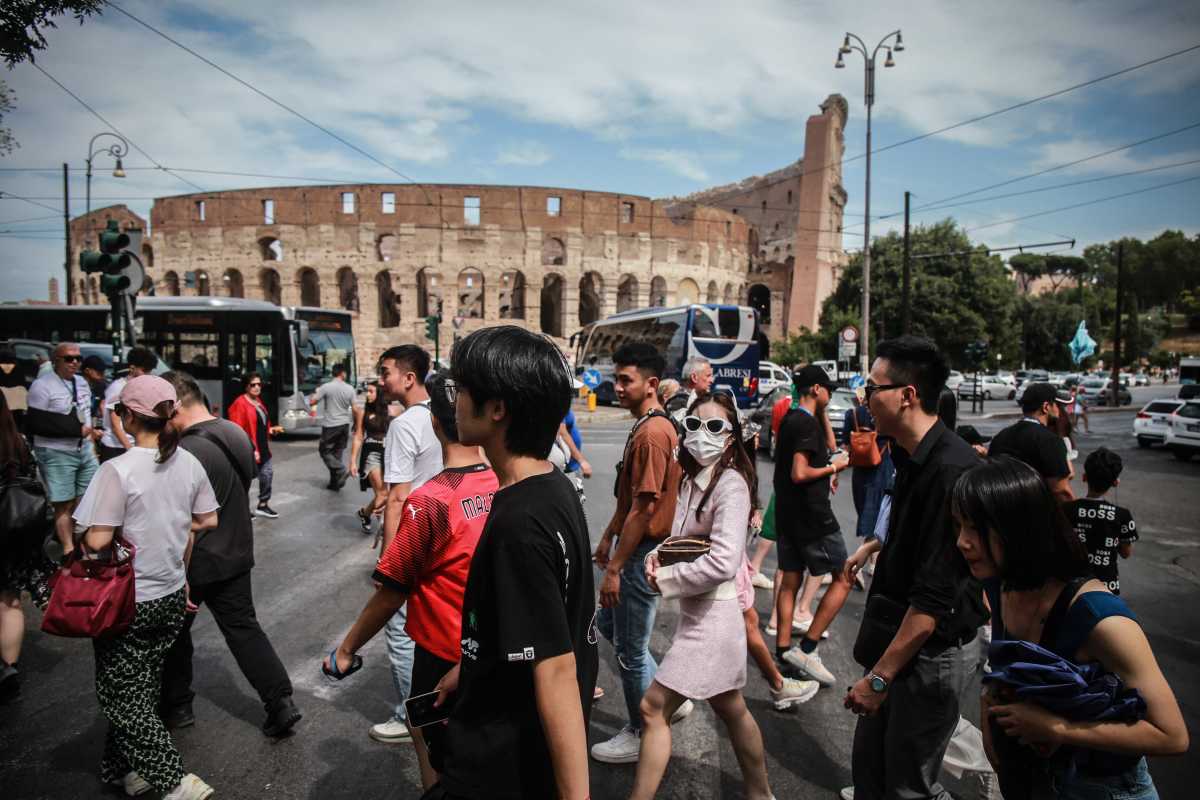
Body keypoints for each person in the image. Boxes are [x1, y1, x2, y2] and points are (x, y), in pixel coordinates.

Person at [422, 325, 596, 800]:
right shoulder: (550, 484)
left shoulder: (518, 522)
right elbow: (546, 615)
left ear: (497, 408)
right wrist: (476, 662)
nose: (453, 402)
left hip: (501, 764)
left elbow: (556, 670)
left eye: (462, 390)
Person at [953, 457, 1187, 799]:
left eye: (974, 527)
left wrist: (1058, 729)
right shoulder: (999, 584)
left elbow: (1171, 736)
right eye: (958, 526)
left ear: (1018, 529)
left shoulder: (1101, 618)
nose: (962, 541)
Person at [323, 372, 498, 791]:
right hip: (489, 644)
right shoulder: (497, 483)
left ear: (435, 423)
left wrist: (346, 650)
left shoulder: (432, 500)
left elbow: (391, 592)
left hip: (442, 651)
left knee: (432, 742)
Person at [841, 335, 988, 800]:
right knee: (871, 773)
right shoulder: (909, 455)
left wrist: (879, 678)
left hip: (928, 654)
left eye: (872, 390)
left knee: (908, 788)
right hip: (901, 643)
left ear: (907, 395)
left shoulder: (949, 471)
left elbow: (932, 597)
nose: (865, 401)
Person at [72, 375, 220, 800]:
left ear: (128, 417)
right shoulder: (187, 462)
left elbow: (97, 540)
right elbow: (208, 519)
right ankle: (126, 770)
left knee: (122, 696)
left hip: (128, 599)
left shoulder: (116, 470)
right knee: (143, 684)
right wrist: (171, 526)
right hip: (172, 592)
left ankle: (176, 782)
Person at [632, 392, 783, 800]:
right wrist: (657, 557)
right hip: (698, 613)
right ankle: (760, 793)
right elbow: (684, 540)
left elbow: (722, 562)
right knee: (731, 707)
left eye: (716, 426)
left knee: (652, 708)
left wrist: (666, 580)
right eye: (696, 425)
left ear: (731, 437)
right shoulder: (690, 479)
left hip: (714, 620)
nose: (703, 434)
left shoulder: (730, 485)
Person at [158, 370, 299, 738]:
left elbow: (181, 517)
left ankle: (177, 707)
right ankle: (280, 701)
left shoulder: (185, 451)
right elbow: (247, 476)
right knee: (243, 629)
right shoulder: (233, 431)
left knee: (174, 634)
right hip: (236, 547)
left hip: (197, 557)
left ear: (174, 409)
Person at [591, 342, 688, 764]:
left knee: (631, 650)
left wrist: (615, 567)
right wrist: (609, 534)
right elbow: (629, 498)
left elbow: (646, 506)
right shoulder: (649, 425)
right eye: (617, 378)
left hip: (641, 552)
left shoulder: (652, 433)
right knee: (608, 627)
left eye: (625, 379)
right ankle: (668, 700)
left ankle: (640, 728)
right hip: (634, 546)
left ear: (651, 384)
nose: (617, 386)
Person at [374, 344, 443, 744]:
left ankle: (410, 713)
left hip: (414, 536)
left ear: (409, 377)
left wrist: (389, 559)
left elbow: (399, 495)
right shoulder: (445, 415)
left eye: (386, 372)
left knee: (400, 630)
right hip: (448, 532)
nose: (381, 380)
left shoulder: (403, 425)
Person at [772, 364, 853, 688]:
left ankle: (783, 652)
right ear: (817, 390)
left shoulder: (793, 419)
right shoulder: (805, 425)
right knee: (845, 576)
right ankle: (807, 648)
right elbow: (799, 473)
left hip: (788, 515)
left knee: (790, 579)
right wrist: (833, 466)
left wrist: (828, 465)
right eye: (827, 390)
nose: (830, 395)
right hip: (813, 517)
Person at [0, 389, 55, 703]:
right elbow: (38, 484)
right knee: (9, 600)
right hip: (12, 531)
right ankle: (10, 668)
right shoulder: (18, 442)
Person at [26, 342, 100, 559]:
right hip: (56, 452)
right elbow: (35, 423)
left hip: (84, 449)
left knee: (89, 498)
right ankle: (68, 551)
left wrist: (91, 445)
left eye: (78, 358)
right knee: (63, 503)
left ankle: (67, 535)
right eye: (69, 358)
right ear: (56, 360)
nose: (75, 362)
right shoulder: (42, 386)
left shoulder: (82, 383)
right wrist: (72, 430)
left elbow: (86, 414)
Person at [1065, 448, 1137, 595]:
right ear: (1116, 482)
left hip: (1070, 584)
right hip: (1105, 587)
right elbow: (1126, 553)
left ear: (1084, 477)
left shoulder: (1066, 510)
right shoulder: (1122, 516)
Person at [988, 382, 1074, 503]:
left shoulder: (1000, 437)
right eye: (1057, 405)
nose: (1060, 410)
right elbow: (1060, 490)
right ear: (1046, 407)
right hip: (1036, 514)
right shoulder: (1050, 441)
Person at [227, 373, 283, 519]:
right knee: (244, 480)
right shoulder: (240, 403)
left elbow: (262, 423)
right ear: (246, 386)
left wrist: (271, 429)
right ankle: (242, 508)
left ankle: (263, 505)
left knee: (267, 475)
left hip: (263, 447)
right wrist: (250, 448)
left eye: (259, 384)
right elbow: (237, 430)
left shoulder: (258, 401)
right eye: (253, 384)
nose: (257, 387)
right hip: (249, 449)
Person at [99, 347, 159, 463]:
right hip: (116, 447)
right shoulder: (118, 388)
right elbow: (115, 424)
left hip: (135, 446)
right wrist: (130, 449)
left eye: (150, 371)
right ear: (132, 368)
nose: (148, 374)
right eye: (144, 370)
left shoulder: (141, 387)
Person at [350, 381, 394, 533]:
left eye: (371, 391)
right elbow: (358, 436)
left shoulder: (391, 411)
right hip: (371, 454)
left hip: (388, 454)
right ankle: (386, 527)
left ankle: (365, 513)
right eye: (367, 391)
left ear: (379, 394)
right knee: (383, 494)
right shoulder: (364, 413)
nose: (367, 394)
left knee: (386, 494)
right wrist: (352, 461)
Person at [311, 364, 357, 490]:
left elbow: (312, 401)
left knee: (324, 451)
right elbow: (355, 408)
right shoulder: (350, 388)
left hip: (330, 425)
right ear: (342, 373)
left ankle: (341, 470)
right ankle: (335, 483)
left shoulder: (326, 387)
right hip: (344, 424)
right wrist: (357, 424)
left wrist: (316, 394)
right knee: (337, 453)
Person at [664, 355, 713, 419]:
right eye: (708, 376)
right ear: (694, 378)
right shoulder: (679, 401)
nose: (711, 380)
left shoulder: (701, 399)